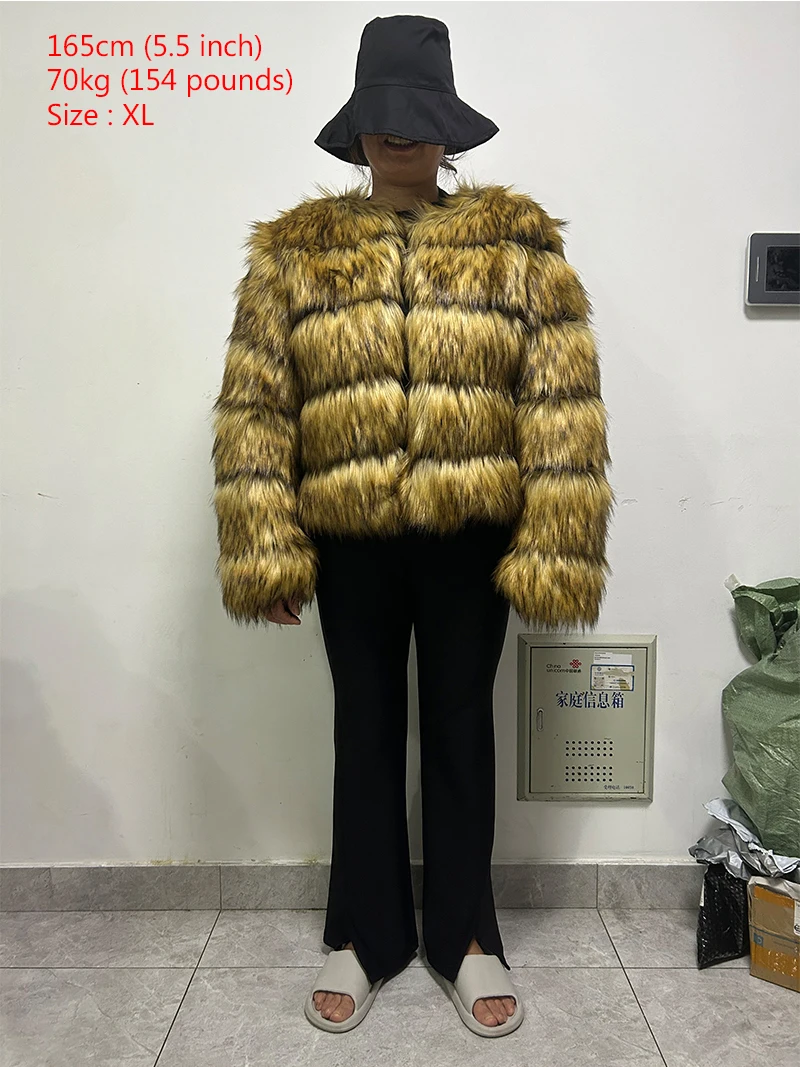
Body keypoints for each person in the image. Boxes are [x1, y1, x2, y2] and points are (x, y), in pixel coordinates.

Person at [210, 14, 613, 1039]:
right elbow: (256, 402)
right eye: (383, 116)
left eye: (418, 115)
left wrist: (556, 543)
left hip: (471, 533)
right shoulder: (295, 253)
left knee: (462, 730)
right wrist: (264, 544)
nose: (399, 135)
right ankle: (363, 933)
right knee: (363, 730)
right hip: (347, 537)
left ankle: (468, 936)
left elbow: (560, 398)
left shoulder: (516, 244)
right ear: (358, 128)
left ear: (448, 128)